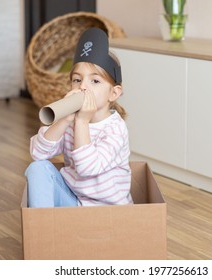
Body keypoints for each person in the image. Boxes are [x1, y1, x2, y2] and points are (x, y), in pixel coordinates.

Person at [25, 27, 132, 208]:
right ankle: (42, 229)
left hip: (108, 211)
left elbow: (87, 169)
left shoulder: (115, 128)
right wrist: (65, 119)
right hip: (74, 203)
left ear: (113, 93)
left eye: (95, 81)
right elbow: (38, 153)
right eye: (77, 79)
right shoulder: (71, 121)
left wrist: (82, 122)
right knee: (37, 168)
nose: (83, 86)